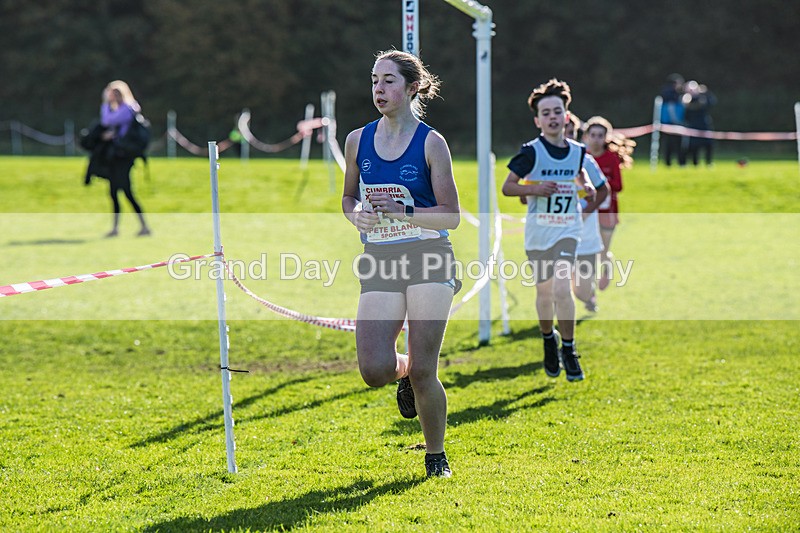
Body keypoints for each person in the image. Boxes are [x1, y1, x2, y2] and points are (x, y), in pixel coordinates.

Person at [341, 50, 461, 478]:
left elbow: (451, 215)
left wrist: (402, 212)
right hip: (381, 258)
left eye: (388, 81)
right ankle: (402, 373)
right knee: (374, 369)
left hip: (429, 255)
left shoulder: (431, 142)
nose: (378, 89)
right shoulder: (357, 139)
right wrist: (357, 214)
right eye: (374, 80)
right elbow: (348, 198)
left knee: (428, 367)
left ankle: (435, 456)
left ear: (412, 88)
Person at [501, 78, 600, 382]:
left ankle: (569, 349)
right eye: (546, 113)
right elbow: (507, 188)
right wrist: (536, 187)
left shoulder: (578, 151)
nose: (553, 117)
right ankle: (549, 340)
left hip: (567, 230)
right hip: (538, 233)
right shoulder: (530, 152)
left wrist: (586, 188)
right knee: (544, 295)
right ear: (538, 120)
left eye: (558, 111)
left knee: (561, 288)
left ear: (566, 116)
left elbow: (582, 177)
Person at [87, 80, 151, 237]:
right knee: (113, 192)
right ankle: (116, 228)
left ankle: (144, 226)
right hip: (114, 155)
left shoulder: (129, 109)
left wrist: (107, 103)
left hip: (124, 156)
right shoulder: (114, 108)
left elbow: (108, 120)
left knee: (127, 191)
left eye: (116, 93)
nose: (113, 96)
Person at [583, 116, 635, 291]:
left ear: (606, 137)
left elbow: (618, 186)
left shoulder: (611, 158)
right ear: (586, 136)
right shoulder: (582, 157)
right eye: (593, 135)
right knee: (586, 252)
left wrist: (601, 184)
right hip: (587, 211)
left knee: (602, 250)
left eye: (600, 135)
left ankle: (607, 268)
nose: (596, 139)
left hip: (607, 211)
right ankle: (588, 290)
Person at [565, 115, 609, 313]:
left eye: (570, 133)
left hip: (585, 236)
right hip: (555, 234)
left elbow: (603, 191)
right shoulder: (540, 158)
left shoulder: (585, 160)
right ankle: (555, 330)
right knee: (558, 286)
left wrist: (585, 212)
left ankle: (588, 294)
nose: (566, 137)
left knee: (580, 291)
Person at [682, 80, 716, 166]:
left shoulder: (703, 97)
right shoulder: (686, 100)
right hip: (692, 125)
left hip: (704, 124)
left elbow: (712, 102)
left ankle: (708, 162)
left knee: (708, 145)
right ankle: (695, 163)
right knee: (694, 147)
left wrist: (706, 92)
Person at [659, 73, 685, 167]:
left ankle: (670, 162)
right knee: (673, 144)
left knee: (672, 144)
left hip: (670, 123)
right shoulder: (670, 94)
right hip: (671, 123)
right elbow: (671, 108)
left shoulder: (669, 93)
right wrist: (676, 120)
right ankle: (672, 162)